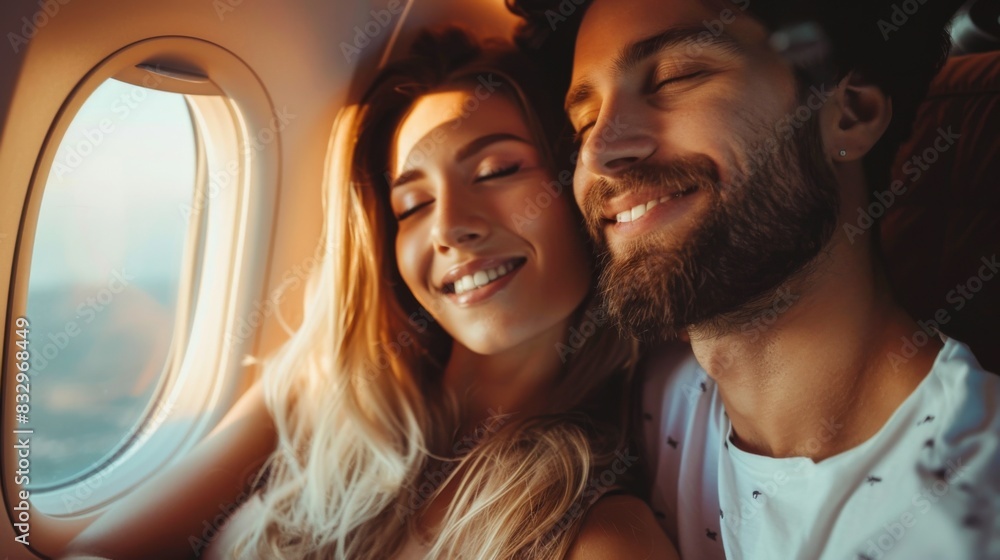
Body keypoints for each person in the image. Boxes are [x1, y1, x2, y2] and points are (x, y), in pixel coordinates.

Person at [63, 28, 676, 560]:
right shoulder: (317, 391)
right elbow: (98, 550)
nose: (447, 228)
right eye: (412, 205)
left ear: (579, 188)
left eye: (497, 171)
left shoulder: (601, 532)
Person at [508, 0, 1000, 558]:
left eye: (676, 77)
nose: (600, 152)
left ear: (851, 115)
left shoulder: (976, 496)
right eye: (584, 123)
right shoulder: (637, 400)